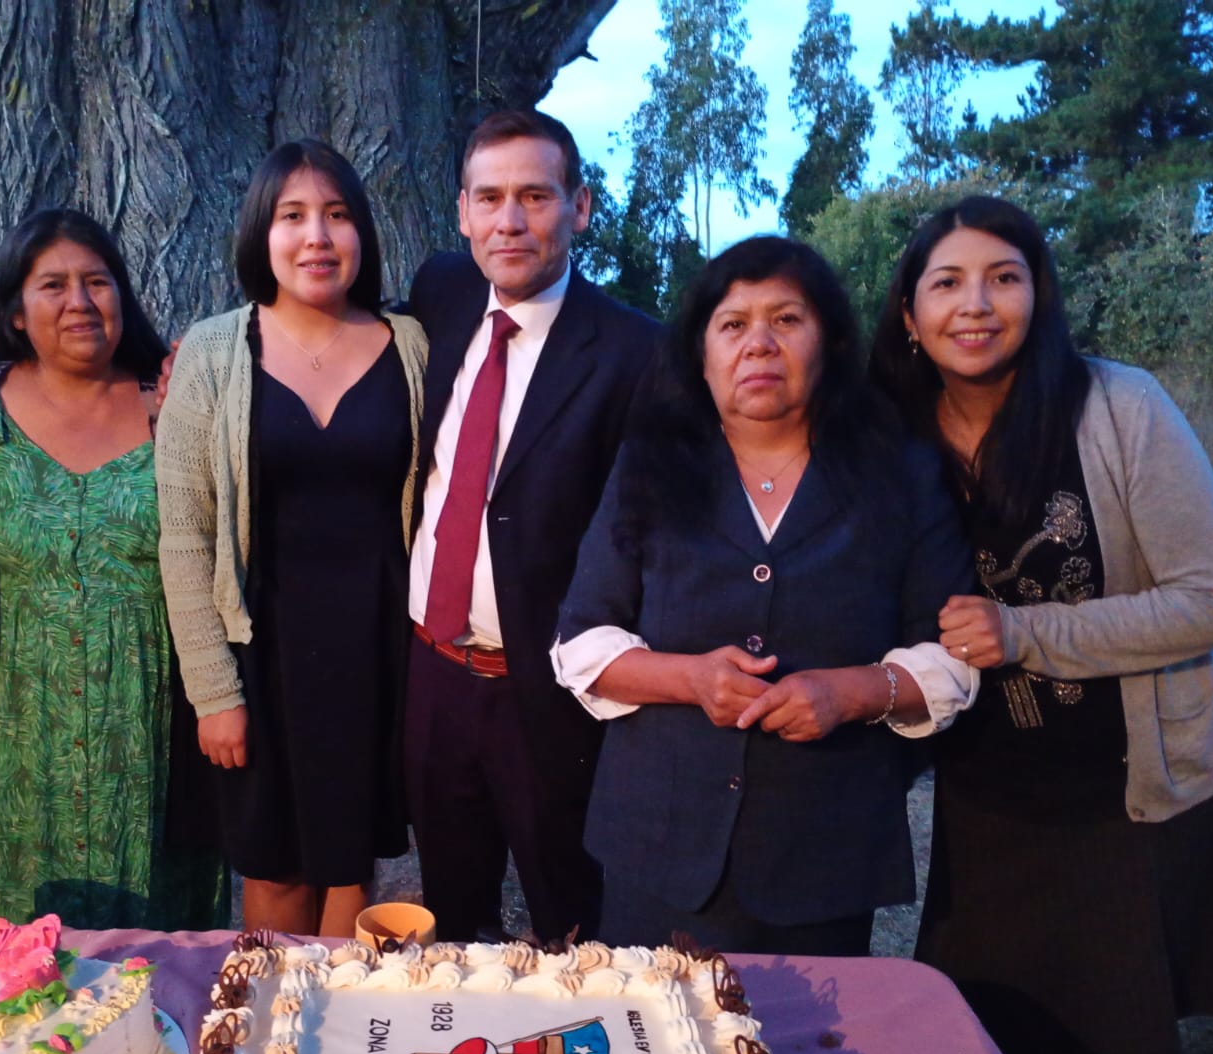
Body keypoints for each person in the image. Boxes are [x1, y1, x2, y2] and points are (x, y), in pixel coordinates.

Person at [867, 195, 1213, 1054]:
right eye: (947, 282)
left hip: (1133, 780)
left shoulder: (1118, 407)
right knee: (983, 1023)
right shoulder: (890, 434)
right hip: (987, 783)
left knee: (1130, 1034)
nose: (976, 304)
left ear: (1037, 296)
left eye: (1004, 277)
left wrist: (1026, 633)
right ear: (909, 314)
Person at [552, 236, 976, 953]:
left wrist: (848, 694)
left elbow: (951, 659)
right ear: (701, 355)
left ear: (830, 343)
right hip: (658, 845)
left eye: (786, 319)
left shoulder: (899, 473)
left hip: (824, 848)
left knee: (806, 1026)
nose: (759, 343)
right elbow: (582, 643)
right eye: (732, 324)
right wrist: (692, 679)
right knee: (653, 1021)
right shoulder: (650, 467)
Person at [155, 140, 427, 938]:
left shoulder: (411, 346)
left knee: (350, 862)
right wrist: (214, 692)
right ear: (260, 233)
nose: (317, 237)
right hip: (259, 653)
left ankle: (337, 1013)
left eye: (337, 215)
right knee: (273, 867)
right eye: (293, 216)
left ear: (363, 232)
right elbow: (185, 534)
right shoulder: (214, 351)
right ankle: (270, 1013)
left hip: (375, 652)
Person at [0, 208, 229, 931]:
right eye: (53, 285)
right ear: (16, 312)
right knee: (31, 949)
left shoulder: (178, 407)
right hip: (28, 733)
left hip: (159, 728)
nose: (79, 302)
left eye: (97, 281)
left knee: (161, 950)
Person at [404, 110, 660, 944]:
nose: (509, 221)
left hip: (549, 691)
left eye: (535, 196)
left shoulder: (634, 353)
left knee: (574, 922)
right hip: (433, 673)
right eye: (489, 198)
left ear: (579, 206)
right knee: (451, 923)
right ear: (462, 212)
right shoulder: (442, 294)